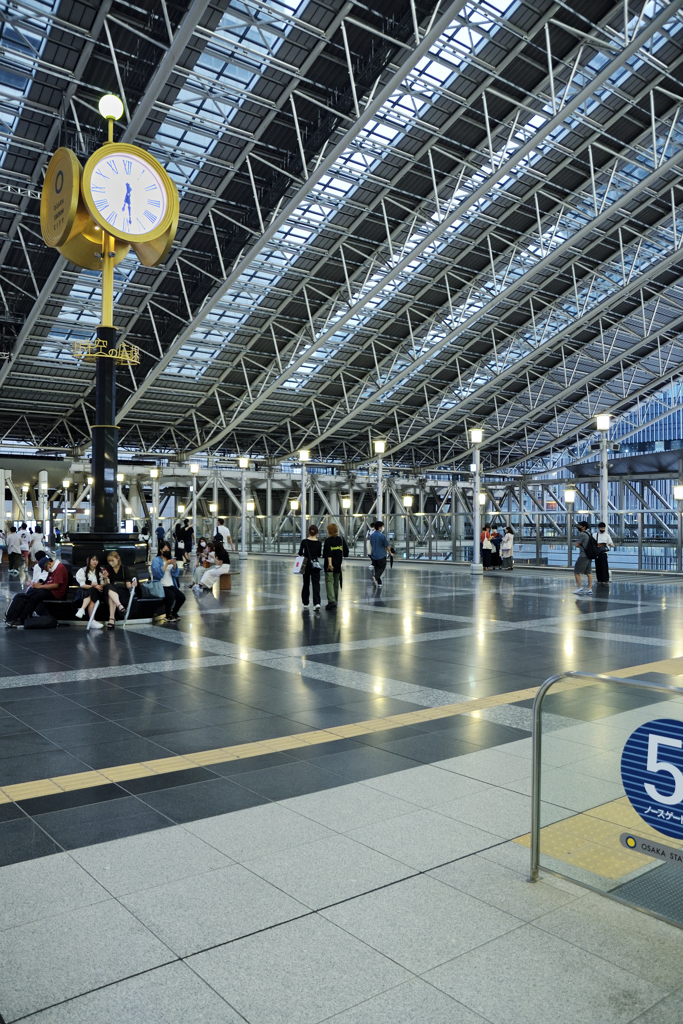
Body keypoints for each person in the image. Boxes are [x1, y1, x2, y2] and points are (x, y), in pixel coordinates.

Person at [6, 554, 68, 626]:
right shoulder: (52, 568)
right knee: (31, 592)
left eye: (45, 569)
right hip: (50, 590)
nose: (47, 570)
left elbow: (55, 585)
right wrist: (37, 585)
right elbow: (48, 582)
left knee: (35, 597)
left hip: (56, 593)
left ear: (49, 564)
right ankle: (17, 614)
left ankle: (23, 618)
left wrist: (40, 587)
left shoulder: (59, 568)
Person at [75, 553, 124, 629]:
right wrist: (93, 586)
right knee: (92, 591)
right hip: (86, 591)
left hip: (98, 592)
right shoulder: (82, 571)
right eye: (93, 560)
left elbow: (105, 584)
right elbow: (82, 585)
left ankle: (82, 609)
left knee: (95, 591)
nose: (95, 562)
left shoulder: (100, 570)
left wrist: (105, 578)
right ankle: (91, 619)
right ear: (88, 560)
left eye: (96, 560)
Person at [323, 522, 348, 609]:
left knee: (329, 582)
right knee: (336, 583)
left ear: (330, 531)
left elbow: (328, 553)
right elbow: (346, 552)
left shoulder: (328, 541)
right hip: (338, 565)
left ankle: (331, 601)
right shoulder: (341, 539)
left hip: (330, 565)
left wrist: (330, 564)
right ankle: (335, 600)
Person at [105, 551, 137, 620]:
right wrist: (105, 577)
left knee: (111, 596)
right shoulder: (107, 568)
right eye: (109, 561)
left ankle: (111, 619)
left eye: (112, 560)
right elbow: (106, 584)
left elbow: (127, 585)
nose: (111, 562)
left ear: (118, 558)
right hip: (111, 589)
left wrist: (132, 585)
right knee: (109, 587)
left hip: (121, 591)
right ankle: (120, 607)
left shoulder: (124, 569)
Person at [299, 524, 322, 609]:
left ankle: (305, 602)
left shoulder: (304, 542)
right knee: (316, 583)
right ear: (317, 533)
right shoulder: (319, 543)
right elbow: (319, 554)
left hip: (305, 563)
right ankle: (317, 603)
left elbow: (300, 553)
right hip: (315, 563)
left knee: (306, 583)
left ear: (309, 532)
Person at [159, 547, 185, 621]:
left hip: (170, 584)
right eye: (165, 550)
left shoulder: (170, 559)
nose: (167, 552)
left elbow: (175, 574)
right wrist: (166, 564)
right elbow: (158, 574)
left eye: (168, 550)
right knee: (171, 596)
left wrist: (174, 565)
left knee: (181, 597)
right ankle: (168, 615)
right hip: (161, 585)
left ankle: (174, 612)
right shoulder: (157, 560)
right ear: (161, 550)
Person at [573, 521, 594, 595]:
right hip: (589, 556)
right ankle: (589, 589)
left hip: (583, 556)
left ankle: (579, 588)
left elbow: (577, 544)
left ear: (584, 527)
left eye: (580, 525)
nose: (579, 526)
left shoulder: (582, 534)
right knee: (589, 572)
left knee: (576, 571)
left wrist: (580, 546)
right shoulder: (589, 533)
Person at [369, 520, 390, 587]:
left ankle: (379, 583)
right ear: (379, 527)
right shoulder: (382, 536)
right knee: (382, 568)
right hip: (381, 555)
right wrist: (390, 553)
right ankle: (375, 577)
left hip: (374, 555)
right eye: (382, 526)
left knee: (377, 569)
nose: (383, 528)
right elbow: (387, 546)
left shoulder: (371, 536)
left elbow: (371, 545)